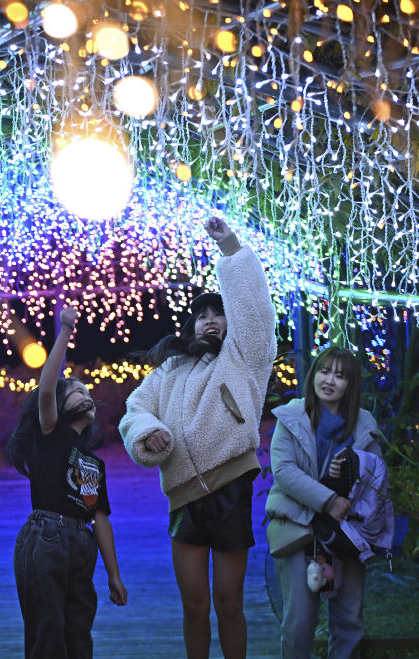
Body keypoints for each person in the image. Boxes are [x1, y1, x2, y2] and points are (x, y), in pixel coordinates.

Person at [120, 216, 277, 659]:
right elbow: (136, 410)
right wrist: (149, 433)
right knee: (193, 608)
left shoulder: (245, 355)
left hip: (230, 490)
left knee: (229, 604)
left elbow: (254, 311)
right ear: (189, 327)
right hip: (184, 499)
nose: (210, 322)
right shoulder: (169, 371)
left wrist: (230, 247)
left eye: (218, 314)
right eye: (201, 316)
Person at [9, 306, 127, 659]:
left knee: (79, 635)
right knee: (48, 635)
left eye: (88, 391)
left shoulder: (93, 461)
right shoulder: (51, 436)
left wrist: (114, 576)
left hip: (82, 545)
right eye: (75, 391)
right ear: (59, 406)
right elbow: (46, 390)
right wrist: (65, 331)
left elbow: (101, 518)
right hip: (47, 538)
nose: (85, 394)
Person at [265, 346, 393, 658]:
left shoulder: (364, 424)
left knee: (349, 620)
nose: (329, 380)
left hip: (347, 533)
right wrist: (328, 500)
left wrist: (352, 466)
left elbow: (375, 478)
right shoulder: (292, 416)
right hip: (299, 528)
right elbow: (283, 470)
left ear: (350, 384)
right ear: (313, 376)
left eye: (340, 375)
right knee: (299, 622)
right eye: (324, 371)